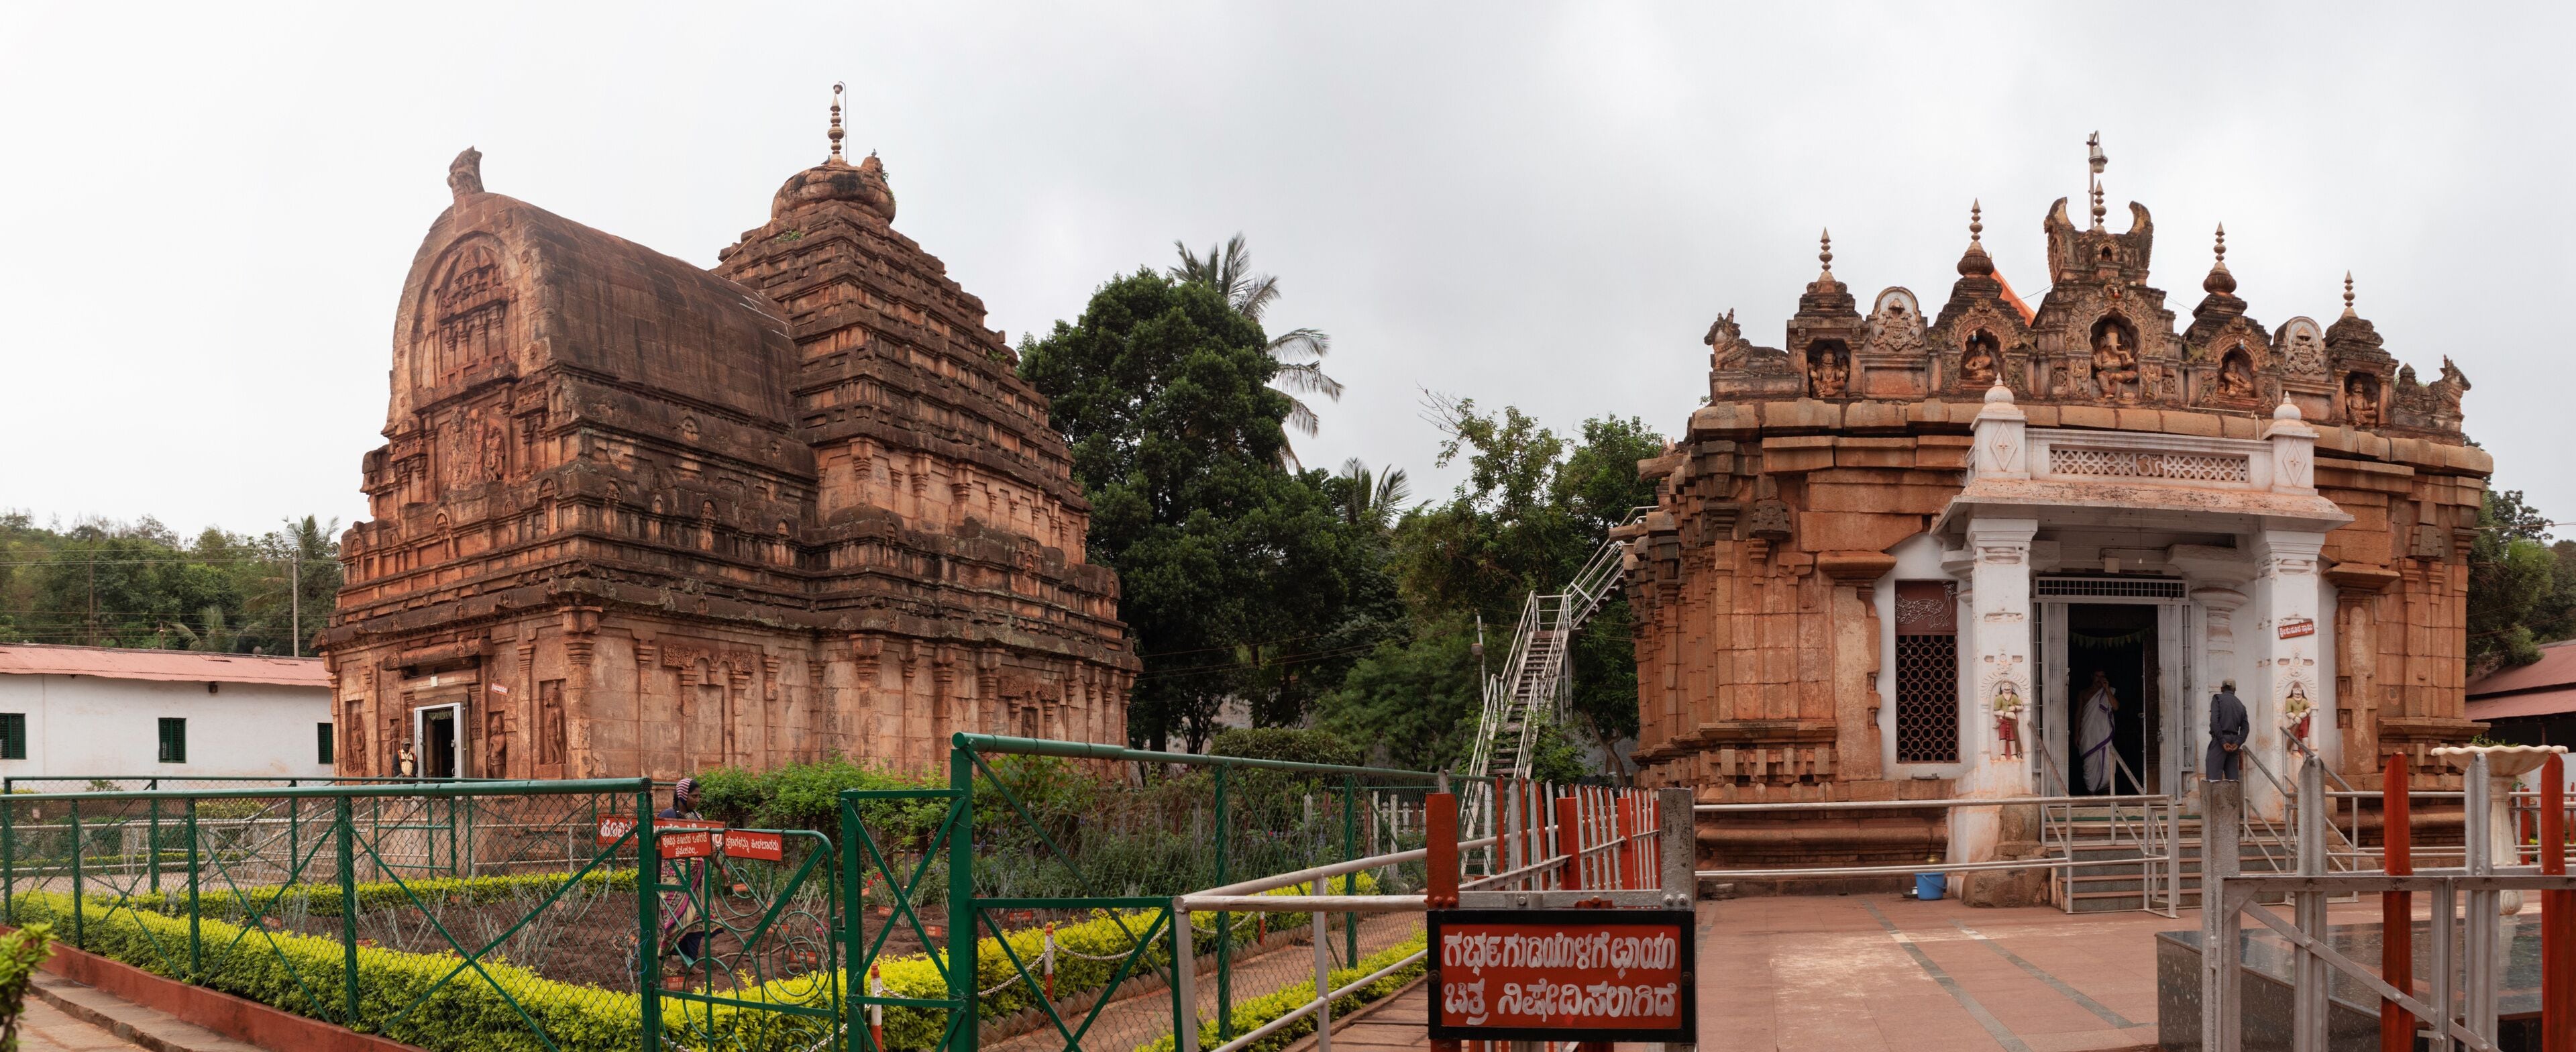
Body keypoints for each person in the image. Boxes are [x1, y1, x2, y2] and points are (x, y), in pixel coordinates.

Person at [659, 777, 710, 963]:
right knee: (678, 919)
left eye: (699, 797)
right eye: (694, 796)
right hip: (674, 879)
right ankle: (668, 958)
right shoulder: (668, 816)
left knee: (696, 921)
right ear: (682, 795)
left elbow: (708, 846)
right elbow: (656, 847)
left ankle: (690, 962)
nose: (697, 800)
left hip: (697, 880)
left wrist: (723, 869)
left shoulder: (698, 819)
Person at [2077, 670, 2121, 793]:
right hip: (2088, 733)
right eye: (2097, 676)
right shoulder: (2084, 694)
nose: (2099, 679)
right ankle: (2091, 792)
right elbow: (2079, 714)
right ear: (2092, 677)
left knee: (2107, 762)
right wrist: (2076, 734)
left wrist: (2106, 690)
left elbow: (2116, 707)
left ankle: (2107, 792)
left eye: (2102, 676)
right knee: (2089, 763)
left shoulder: (2108, 692)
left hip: (2104, 733)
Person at [2206, 680, 2248, 781]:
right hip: (2234, 744)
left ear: (2222, 689)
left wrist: (2223, 741)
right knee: (2232, 780)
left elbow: (2214, 723)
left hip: (2220, 741)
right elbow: (2245, 728)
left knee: (2214, 779)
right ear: (2235, 690)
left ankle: (2216, 798)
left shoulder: (2218, 699)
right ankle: (2233, 797)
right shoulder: (2241, 706)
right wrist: (2237, 743)